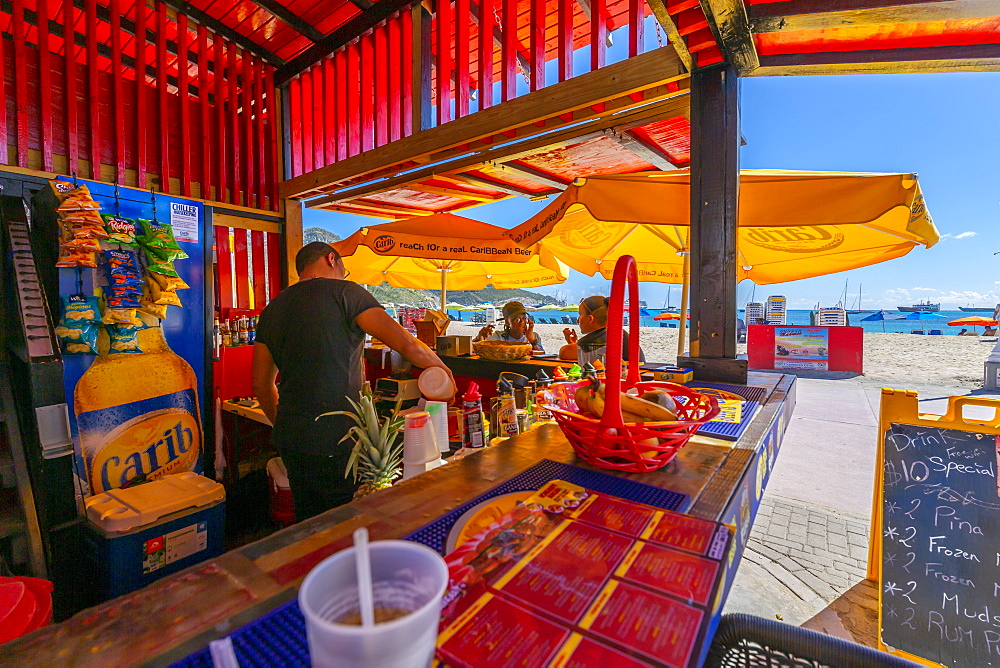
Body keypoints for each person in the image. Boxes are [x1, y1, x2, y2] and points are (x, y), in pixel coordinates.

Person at [252, 242, 455, 522]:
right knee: (343, 522)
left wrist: (285, 423)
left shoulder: (272, 309)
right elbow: (406, 343)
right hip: (337, 435)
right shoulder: (346, 293)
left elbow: (262, 385)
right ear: (331, 258)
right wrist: (445, 372)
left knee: (308, 520)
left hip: (291, 434)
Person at [562, 295, 645, 366]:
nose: (577, 320)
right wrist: (572, 343)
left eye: (580, 315)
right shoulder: (617, 334)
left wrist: (572, 345)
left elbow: (565, 352)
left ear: (591, 318)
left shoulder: (604, 337)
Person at [474, 301, 544, 352]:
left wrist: (532, 341)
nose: (522, 322)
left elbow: (543, 358)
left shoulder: (534, 336)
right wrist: (477, 339)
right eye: (517, 319)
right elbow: (478, 349)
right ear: (507, 322)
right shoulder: (498, 337)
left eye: (524, 318)